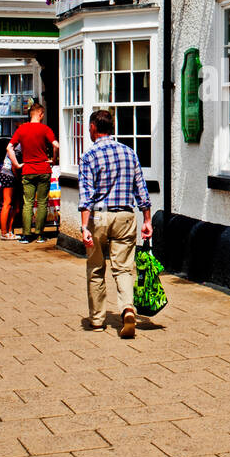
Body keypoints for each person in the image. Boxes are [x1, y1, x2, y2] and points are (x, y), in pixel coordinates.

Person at [79, 107, 152, 338]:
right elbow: (141, 189)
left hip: (98, 216)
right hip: (125, 216)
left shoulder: (89, 156)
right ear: (112, 128)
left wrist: (84, 226)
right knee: (123, 268)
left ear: (92, 127)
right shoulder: (129, 153)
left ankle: (98, 320)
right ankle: (127, 309)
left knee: (96, 268)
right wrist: (147, 219)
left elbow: (86, 196)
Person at [7, 101, 58, 243]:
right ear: (41, 114)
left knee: (27, 203)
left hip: (27, 169)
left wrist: (17, 164)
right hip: (43, 169)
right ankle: (40, 234)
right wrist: (53, 159)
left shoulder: (22, 129)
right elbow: (56, 145)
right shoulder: (45, 129)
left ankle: (26, 235)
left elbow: (9, 148)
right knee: (42, 202)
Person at [0, 145, 21, 240]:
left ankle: (9, 231)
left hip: (6, 174)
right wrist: (18, 178)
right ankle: (4, 232)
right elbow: (14, 166)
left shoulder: (14, 146)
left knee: (14, 205)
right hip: (10, 175)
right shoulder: (18, 148)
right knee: (7, 203)